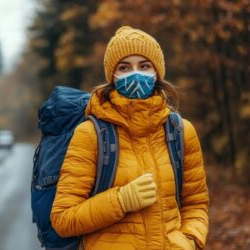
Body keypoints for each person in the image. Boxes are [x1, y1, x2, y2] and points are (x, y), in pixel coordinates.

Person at [50, 26, 209, 250]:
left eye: (144, 66)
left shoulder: (181, 131)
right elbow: (63, 219)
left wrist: (190, 240)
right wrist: (121, 200)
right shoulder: (91, 135)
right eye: (124, 67)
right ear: (113, 77)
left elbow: (196, 203)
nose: (135, 73)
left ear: (157, 73)